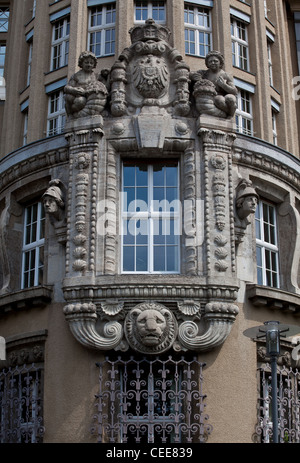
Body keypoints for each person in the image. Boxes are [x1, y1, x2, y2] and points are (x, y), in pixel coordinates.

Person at [191, 51, 237, 117]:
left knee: (231, 98)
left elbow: (234, 91)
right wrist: (195, 77)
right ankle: (227, 113)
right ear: (207, 64)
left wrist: (224, 85)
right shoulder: (204, 73)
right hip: (212, 97)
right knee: (219, 100)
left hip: (224, 96)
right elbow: (192, 74)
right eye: (210, 61)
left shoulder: (225, 75)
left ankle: (230, 114)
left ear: (220, 62)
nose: (213, 63)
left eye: (215, 61)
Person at [64, 51, 108, 117]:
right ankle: (72, 115)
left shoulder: (96, 76)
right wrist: (75, 90)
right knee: (76, 99)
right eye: (86, 62)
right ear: (81, 63)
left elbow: (105, 87)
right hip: (78, 97)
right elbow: (67, 88)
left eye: (91, 63)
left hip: (91, 99)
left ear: (94, 65)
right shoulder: (76, 76)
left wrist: (108, 73)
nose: (89, 65)